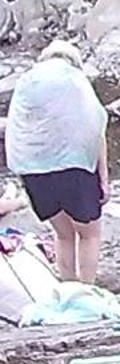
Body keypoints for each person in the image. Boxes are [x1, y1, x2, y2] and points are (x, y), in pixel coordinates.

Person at [3, 41, 109, 285]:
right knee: (89, 234)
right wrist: (103, 178)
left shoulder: (27, 81)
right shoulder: (76, 80)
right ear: (74, 61)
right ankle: (87, 291)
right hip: (74, 168)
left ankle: (68, 287)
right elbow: (96, 128)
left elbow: (18, 129)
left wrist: (22, 174)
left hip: (33, 170)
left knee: (63, 235)